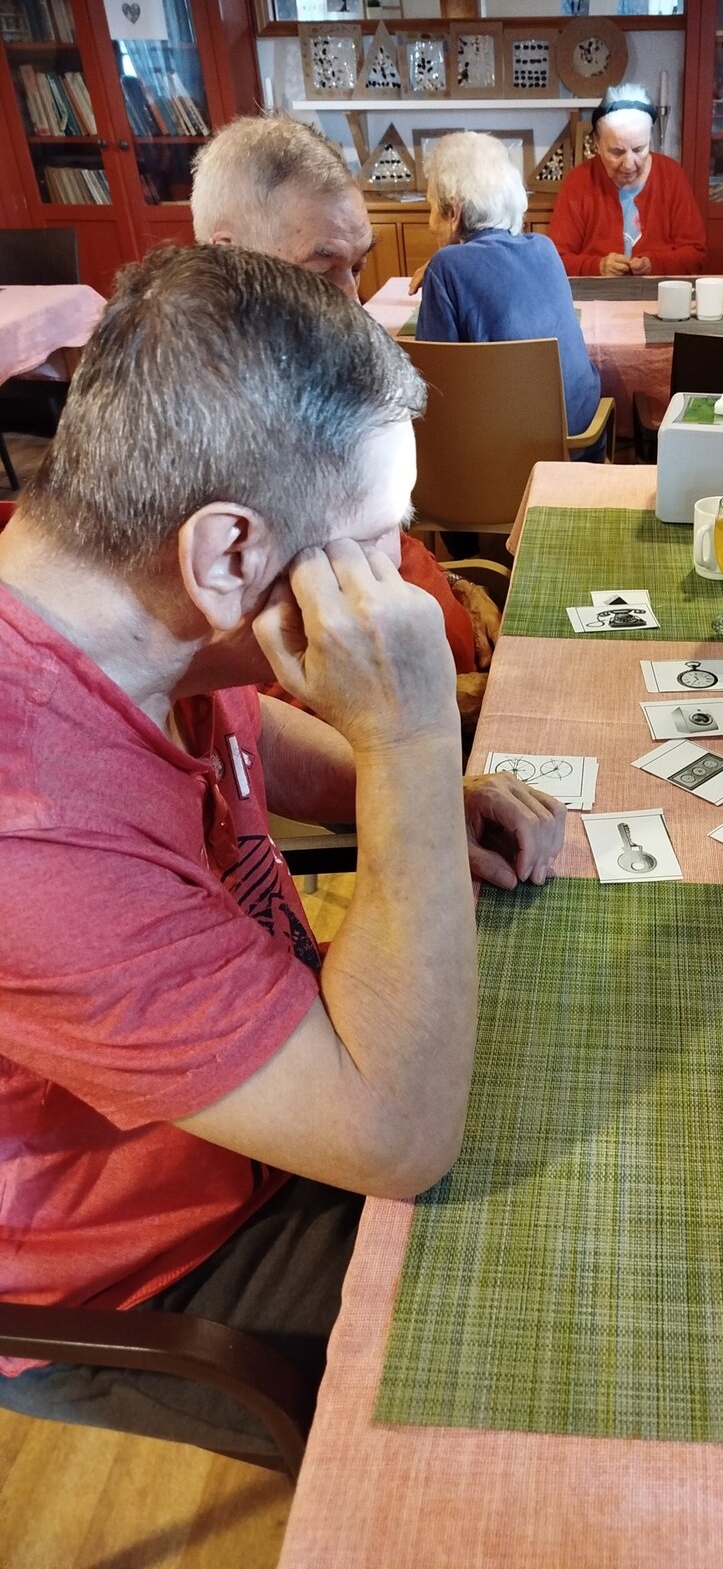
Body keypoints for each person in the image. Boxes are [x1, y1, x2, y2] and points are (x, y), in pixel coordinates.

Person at [0, 244, 565, 1461]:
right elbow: (397, 1138)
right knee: (552, 1325)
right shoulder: (28, 831)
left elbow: (241, 721)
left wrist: (409, 790)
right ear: (229, 557)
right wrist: (411, 738)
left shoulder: (92, 586)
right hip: (161, 1261)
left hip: (264, 1104)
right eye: (378, 543)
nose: (397, 582)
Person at [191, 114, 500, 709]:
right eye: (322, 271)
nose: (353, 305)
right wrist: (442, 704)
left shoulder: (311, 370)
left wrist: (458, 587)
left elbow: (377, 536)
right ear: (230, 259)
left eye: (356, 267)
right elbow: (257, 690)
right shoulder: (209, 422)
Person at [410, 131, 602, 453]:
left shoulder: (446, 267)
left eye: (430, 208)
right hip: (580, 444)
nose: (430, 224)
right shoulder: (545, 248)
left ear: (454, 212)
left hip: (502, 458)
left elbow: (432, 383)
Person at [548, 83, 706, 278]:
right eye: (617, 152)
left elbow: (695, 254)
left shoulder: (671, 175)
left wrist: (653, 265)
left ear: (649, 140)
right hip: (599, 294)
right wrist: (597, 267)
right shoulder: (579, 181)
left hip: (658, 292)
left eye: (639, 149)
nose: (629, 164)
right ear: (597, 143)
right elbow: (555, 259)